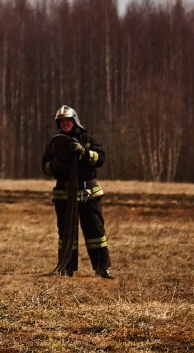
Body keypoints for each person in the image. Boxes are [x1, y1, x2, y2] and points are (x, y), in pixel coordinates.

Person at [41, 105, 112, 278]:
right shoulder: (55, 143)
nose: (65, 123)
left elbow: (100, 158)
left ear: (75, 121)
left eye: (68, 120)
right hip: (64, 196)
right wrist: (56, 164)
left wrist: (84, 152)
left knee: (95, 232)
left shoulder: (87, 138)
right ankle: (67, 268)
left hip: (88, 193)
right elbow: (46, 167)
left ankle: (102, 268)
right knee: (66, 233)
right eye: (62, 121)